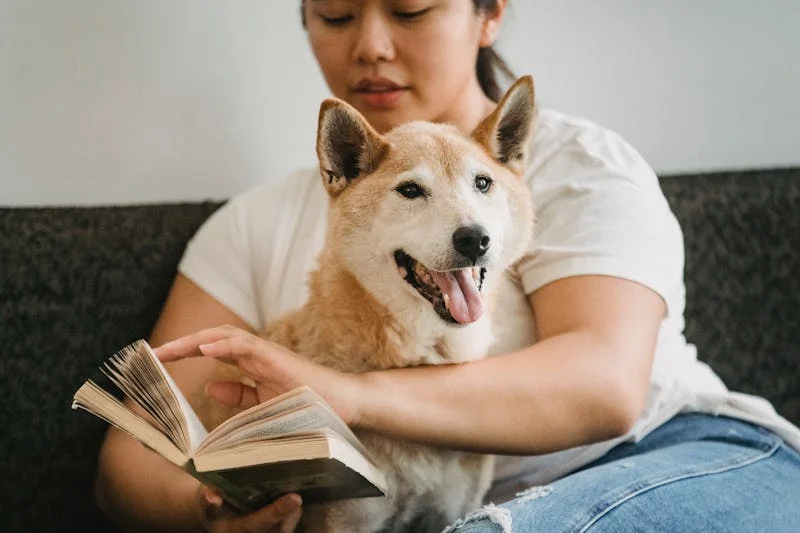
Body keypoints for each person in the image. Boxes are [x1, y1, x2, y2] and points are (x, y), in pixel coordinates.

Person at [94, 1, 800, 531]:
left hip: (680, 453)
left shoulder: (576, 165)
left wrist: (349, 394)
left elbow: (603, 385)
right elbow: (135, 446)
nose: (370, 45)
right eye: (335, 14)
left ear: (488, 13)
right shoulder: (252, 224)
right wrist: (212, 507)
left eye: (410, 8)